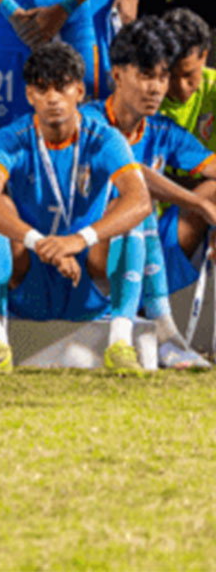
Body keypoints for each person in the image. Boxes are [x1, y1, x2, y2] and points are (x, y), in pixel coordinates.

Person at [0, 41, 151, 375]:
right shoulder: (10, 138)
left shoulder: (106, 138)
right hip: (30, 280)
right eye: (42, 88)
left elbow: (140, 199)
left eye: (62, 87)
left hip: (88, 281)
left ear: (79, 90)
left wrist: (78, 240)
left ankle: (121, 344)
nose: (52, 98)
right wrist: (40, 243)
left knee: (128, 215)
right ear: (29, 95)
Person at [86, 20, 216, 367]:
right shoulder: (88, 121)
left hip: (146, 251)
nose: (156, 88)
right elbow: (131, 171)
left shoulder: (161, 129)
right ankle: (165, 333)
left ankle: (165, 335)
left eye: (162, 77)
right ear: (116, 75)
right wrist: (197, 204)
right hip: (85, 253)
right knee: (135, 202)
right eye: (146, 76)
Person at [161, 8, 216, 151]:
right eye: (171, 76)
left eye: (188, 75)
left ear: (204, 57)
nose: (181, 87)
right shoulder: (141, 97)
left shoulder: (213, 87)